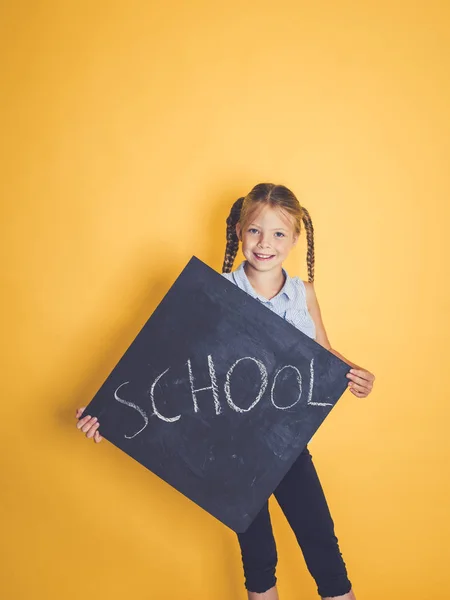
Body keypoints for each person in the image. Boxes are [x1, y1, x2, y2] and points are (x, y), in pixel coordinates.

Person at [76, 183, 375, 600]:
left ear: (294, 239)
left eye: (278, 234)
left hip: (285, 445)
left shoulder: (302, 293)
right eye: (255, 231)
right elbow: (167, 367)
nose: (265, 244)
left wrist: (355, 373)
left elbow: (322, 353)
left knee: (321, 543)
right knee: (258, 556)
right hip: (228, 452)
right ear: (239, 231)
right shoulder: (214, 293)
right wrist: (108, 412)